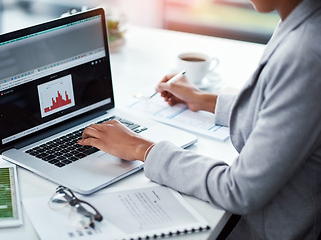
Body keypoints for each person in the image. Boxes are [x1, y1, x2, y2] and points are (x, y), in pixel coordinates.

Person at [78, 0, 321, 238]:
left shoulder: (306, 55)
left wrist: (141, 148)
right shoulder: (298, 19)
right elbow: (276, 107)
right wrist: (202, 99)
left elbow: (238, 190)